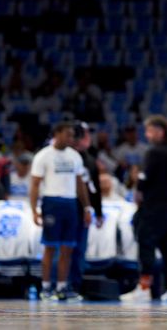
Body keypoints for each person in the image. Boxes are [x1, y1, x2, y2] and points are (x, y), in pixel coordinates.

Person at [120, 115, 167, 304]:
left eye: (149, 131)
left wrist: (138, 192)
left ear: (159, 132)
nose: (146, 135)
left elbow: (144, 179)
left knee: (146, 245)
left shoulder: (153, 152)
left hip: (152, 207)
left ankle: (144, 288)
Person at [30, 122, 91, 302]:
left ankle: (62, 287)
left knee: (68, 248)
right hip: (51, 202)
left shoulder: (75, 156)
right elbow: (34, 185)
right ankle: (46, 287)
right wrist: (34, 209)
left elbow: (80, 184)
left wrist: (86, 207)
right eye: (67, 135)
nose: (71, 139)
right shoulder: (43, 156)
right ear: (56, 133)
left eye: (72, 135)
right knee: (50, 247)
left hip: (70, 203)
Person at [69, 121, 104, 295]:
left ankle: (75, 285)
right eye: (85, 134)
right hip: (67, 209)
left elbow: (94, 187)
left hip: (84, 211)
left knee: (79, 249)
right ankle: (60, 283)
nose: (89, 138)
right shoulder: (65, 157)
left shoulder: (89, 159)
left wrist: (97, 212)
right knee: (64, 248)